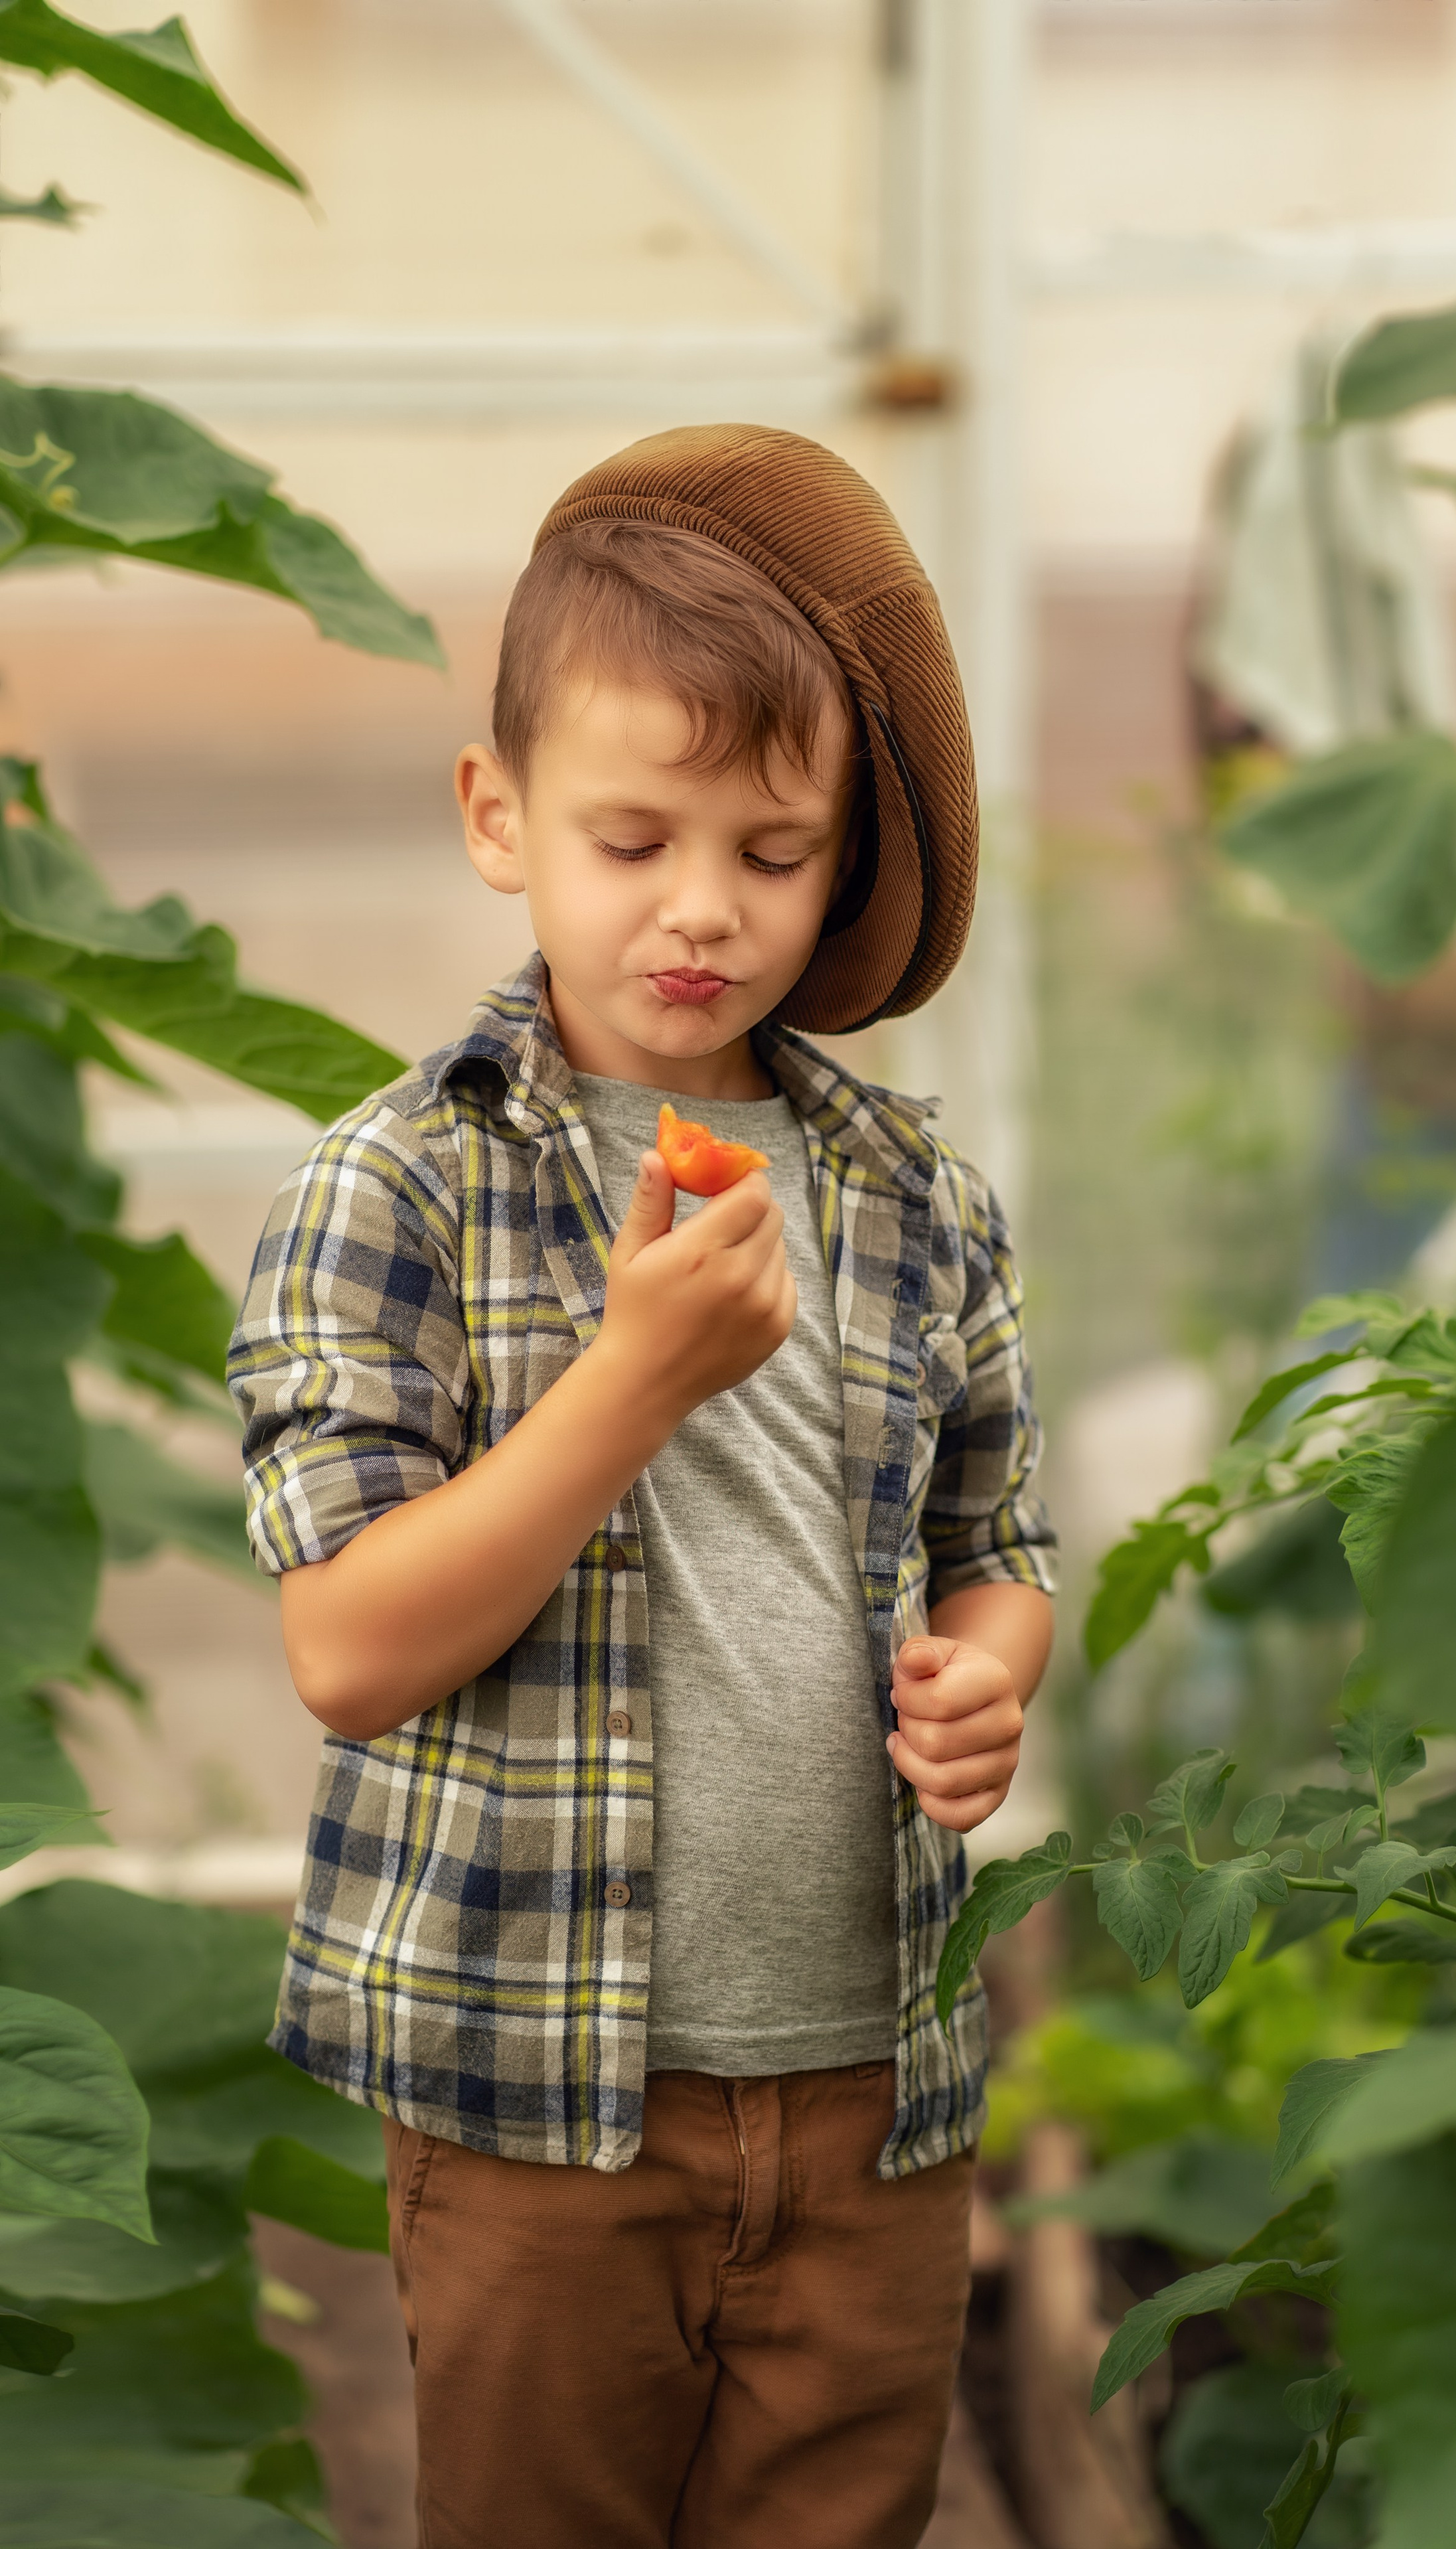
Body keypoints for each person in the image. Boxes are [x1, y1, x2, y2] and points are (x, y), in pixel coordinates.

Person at [229, 423, 1056, 2549]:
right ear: (499, 819)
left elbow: (999, 1544)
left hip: (875, 2092)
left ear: (844, 851)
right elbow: (346, 1648)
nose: (702, 908)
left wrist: (988, 1671)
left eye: (773, 855)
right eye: (633, 837)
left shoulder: (911, 1191)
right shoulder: (395, 1186)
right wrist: (637, 1376)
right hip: (536, 2105)